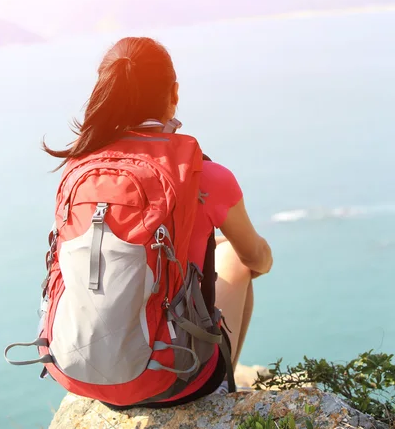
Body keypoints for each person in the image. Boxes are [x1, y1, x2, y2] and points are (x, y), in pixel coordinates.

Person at [42, 36, 273, 406]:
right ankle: (218, 391)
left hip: (79, 372)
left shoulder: (81, 167)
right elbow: (256, 257)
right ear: (174, 93)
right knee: (236, 259)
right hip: (174, 380)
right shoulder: (206, 175)